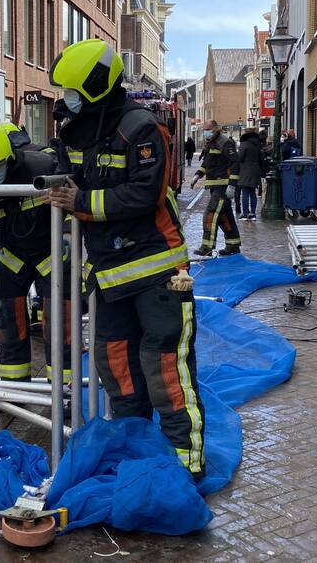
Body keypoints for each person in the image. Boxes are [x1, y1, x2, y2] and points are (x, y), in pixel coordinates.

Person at [45, 39, 204, 480]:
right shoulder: (74, 129)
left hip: (159, 273)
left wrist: (81, 200)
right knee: (115, 365)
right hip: (109, 275)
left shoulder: (142, 129)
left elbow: (143, 193)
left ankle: (184, 467)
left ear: (95, 86)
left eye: (72, 91)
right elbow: (66, 173)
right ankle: (136, 451)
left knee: (164, 366)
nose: (66, 100)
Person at [0, 123, 72, 384]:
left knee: (58, 324)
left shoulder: (43, 167)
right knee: (8, 323)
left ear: (10, 158)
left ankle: (63, 388)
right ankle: (14, 385)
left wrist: (67, 233)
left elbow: (70, 197)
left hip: (52, 254)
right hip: (12, 259)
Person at [191, 120, 241, 257]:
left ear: (215, 128)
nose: (205, 132)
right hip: (215, 186)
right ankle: (233, 245)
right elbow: (207, 163)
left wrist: (232, 185)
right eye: (204, 130)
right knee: (225, 216)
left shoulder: (224, 142)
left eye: (207, 129)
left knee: (211, 214)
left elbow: (235, 163)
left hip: (223, 186)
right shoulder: (211, 143)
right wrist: (198, 175)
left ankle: (207, 247)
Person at [236, 128, 263, 220]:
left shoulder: (244, 144)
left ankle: (245, 213)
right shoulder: (257, 145)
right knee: (252, 192)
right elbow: (261, 159)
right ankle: (253, 213)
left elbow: (240, 158)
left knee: (245, 192)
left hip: (245, 171)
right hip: (255, 171)